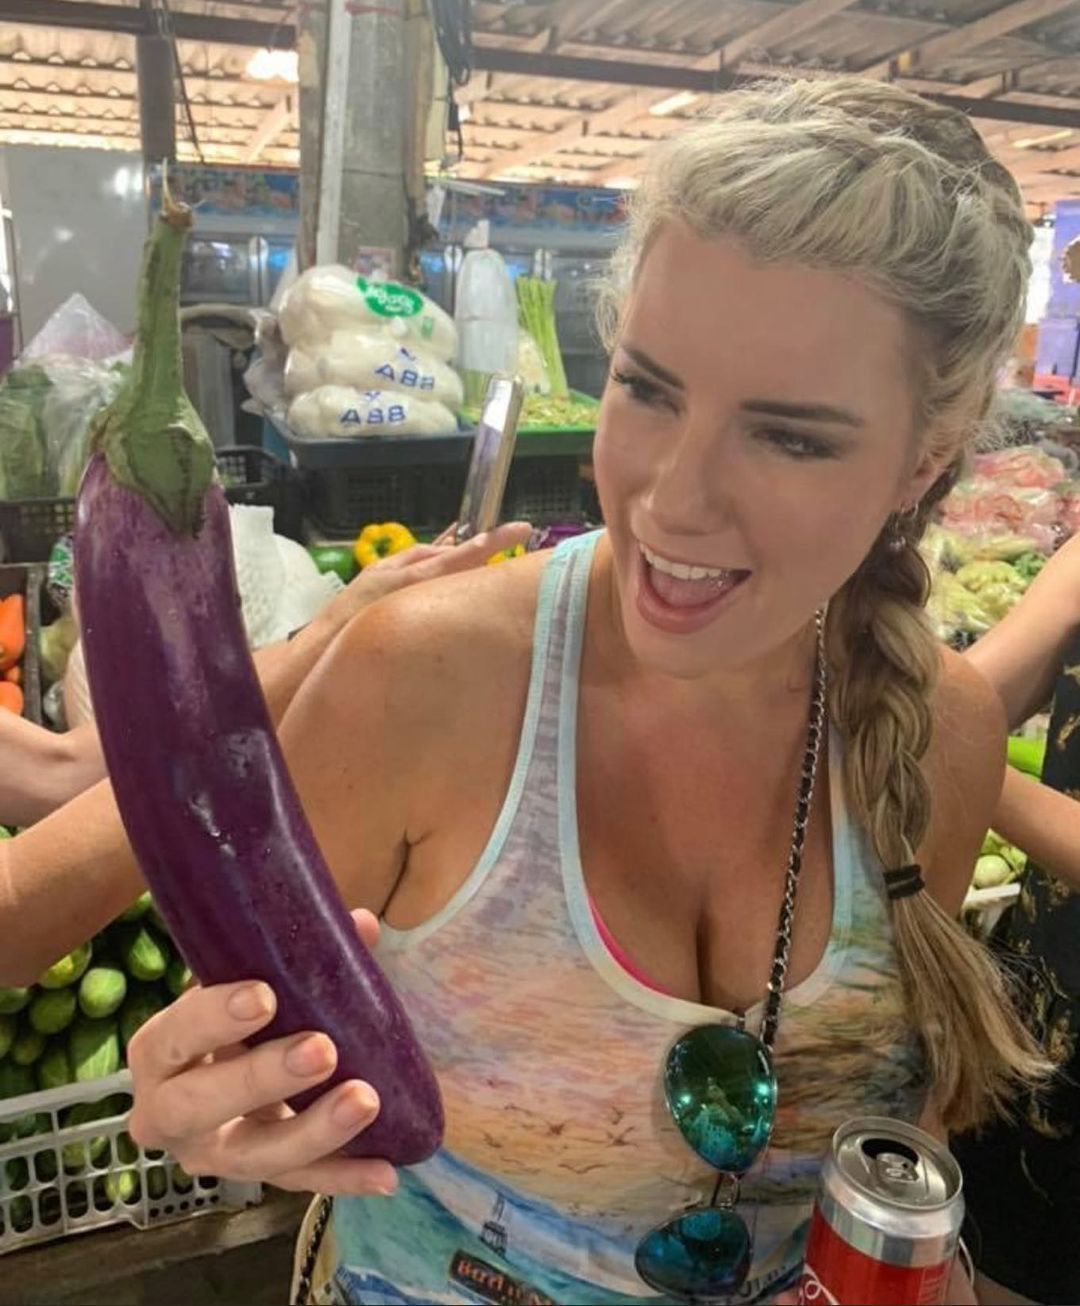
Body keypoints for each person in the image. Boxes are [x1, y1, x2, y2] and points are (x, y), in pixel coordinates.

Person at [0, 77, 1050, 1304]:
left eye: (790, 436)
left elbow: (891, 1149)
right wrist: (216, 1104)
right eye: (646, 386)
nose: (672, 499)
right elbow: (252, 1041)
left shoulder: (942, 736)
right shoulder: (422, 683)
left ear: (925, 460)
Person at [951, 528, 1080, 1306]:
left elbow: (943, 731)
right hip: (1039, 1024)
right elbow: (972, 693)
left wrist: (967, 768)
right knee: (995, 1251)